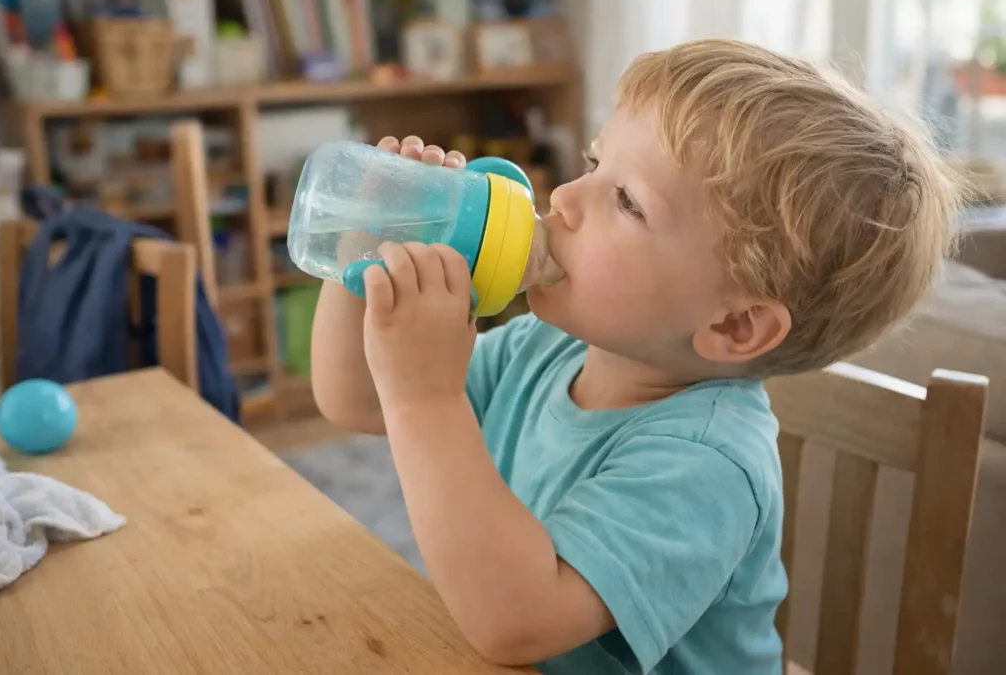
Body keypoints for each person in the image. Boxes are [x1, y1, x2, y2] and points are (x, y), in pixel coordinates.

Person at [310, 39, 960, 674]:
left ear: (734, 324)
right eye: (595, 161)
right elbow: (358, 400)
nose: (565, 197)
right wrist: (365, 247)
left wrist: (426, 397)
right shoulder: (549, 346)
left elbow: (515, 621)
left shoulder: (708, 466)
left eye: (626, 201)